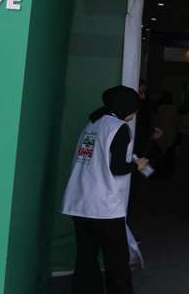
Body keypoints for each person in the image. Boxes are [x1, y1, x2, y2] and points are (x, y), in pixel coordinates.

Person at [60, 85, 150, 294]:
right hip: (104, 206)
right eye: (134, 108)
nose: (135, 113)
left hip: (78, 202)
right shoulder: (119, 128)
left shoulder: (92, 123)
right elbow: (117, 168)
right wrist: (138, 165)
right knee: (117, 260)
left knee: (85, 257)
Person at [151, 91, 179, 179]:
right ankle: (169, 172)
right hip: (171, 134)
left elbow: (156, 121)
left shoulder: (160, 108)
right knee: (170, 154)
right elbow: (177, 122)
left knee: (159, 154)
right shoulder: (174, 108)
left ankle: (158, 172)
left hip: (160, 133)